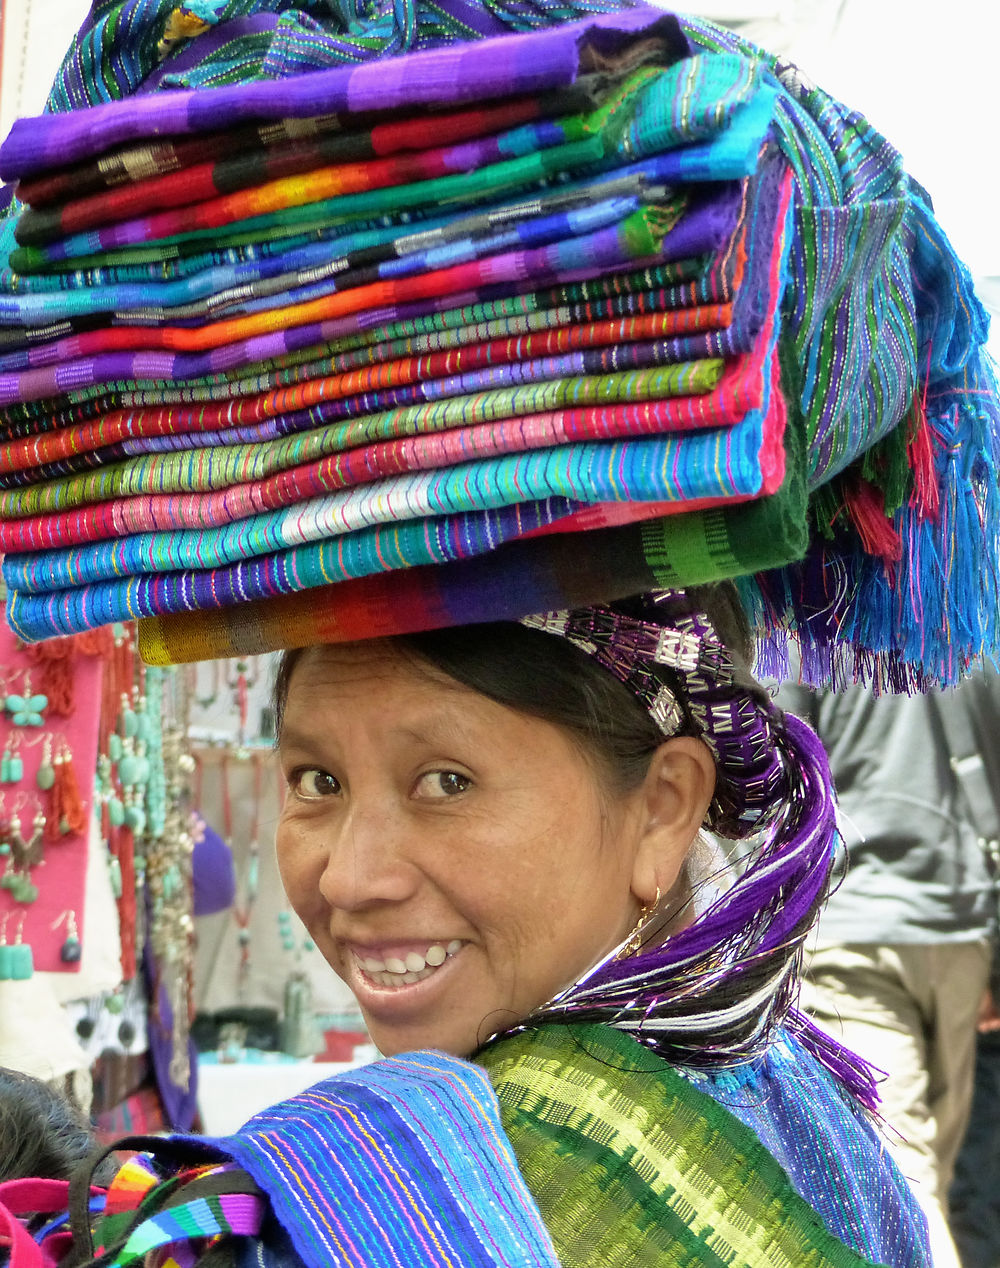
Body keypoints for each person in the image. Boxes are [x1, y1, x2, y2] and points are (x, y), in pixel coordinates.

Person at [776, 669, 1000, 1268]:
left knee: (904, 1173)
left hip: (849, 926)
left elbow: (779, 787)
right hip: (959, 937)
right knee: (926, 1170)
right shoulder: (967, 640)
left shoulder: (807, 647)